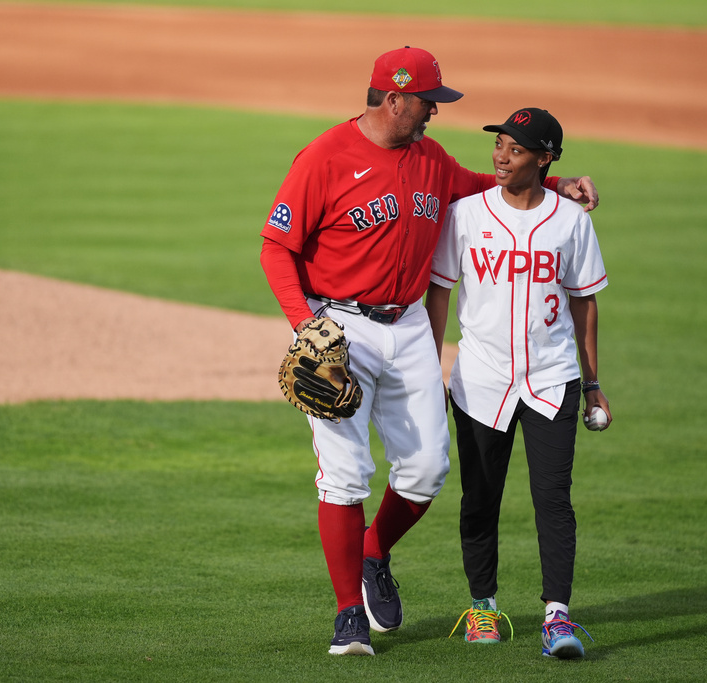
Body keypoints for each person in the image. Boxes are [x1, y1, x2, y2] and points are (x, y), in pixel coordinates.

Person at [259, 49, 599, 657]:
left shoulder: (429, 160)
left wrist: (561, 186)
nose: (433, 115)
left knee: (425, 472)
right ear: (394, 99)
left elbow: (483, 188)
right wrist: (307, 325)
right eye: (427, 103)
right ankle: (347, 618)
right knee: (344, 474)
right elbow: (276, 251)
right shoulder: (323, 158)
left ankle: (373, 551)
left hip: (410, 324)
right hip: (339, 326)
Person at [425, 107, 609, 659]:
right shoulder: (465, 215)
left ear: (545, 158)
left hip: (553, 379)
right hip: (480, 380)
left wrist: (594, 383)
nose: (501, 156)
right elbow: (440, 293)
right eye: (500, 144)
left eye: (516, 148)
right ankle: (484, 607)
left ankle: (557, 618)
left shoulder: (571, 220)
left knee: (553, 499)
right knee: (479, 499)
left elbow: (585, 303)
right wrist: (431, 372)